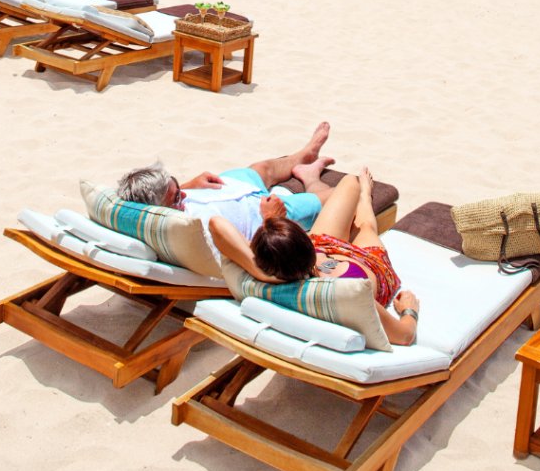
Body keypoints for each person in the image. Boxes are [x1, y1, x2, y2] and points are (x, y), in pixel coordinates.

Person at [208, 168, 420, 347]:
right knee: (365, 224)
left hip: (319, 247)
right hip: (366, 262)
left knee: (349, 183)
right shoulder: (351, 295)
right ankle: (366, 196)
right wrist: (408, 310)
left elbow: (217, 225)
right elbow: (404, 335)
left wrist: (260, 273)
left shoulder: (270, 270)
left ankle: (348, 195)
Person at [116, 122, 339, 241]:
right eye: (176, 197)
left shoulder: (167, 204)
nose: (181, 194)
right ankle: (310, 179)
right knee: (335, 196)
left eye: (176, 185)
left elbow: (164, 201)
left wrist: (186, 186)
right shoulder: (194, 236)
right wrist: (270, 218)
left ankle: (303, 156)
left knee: (260, 168)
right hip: (260, 211)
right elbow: (250, 256)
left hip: (224, 189)